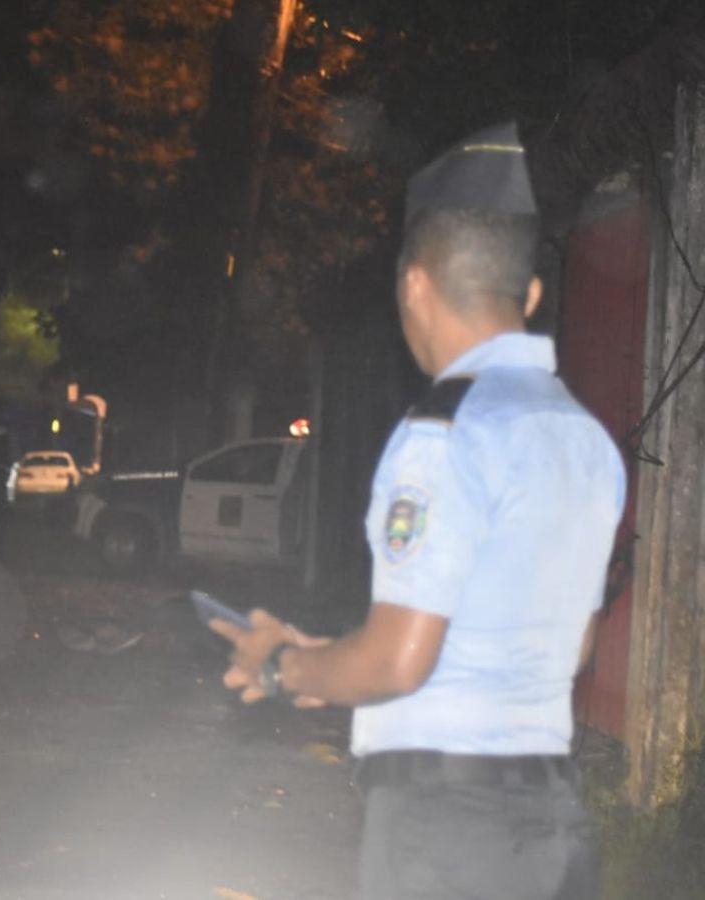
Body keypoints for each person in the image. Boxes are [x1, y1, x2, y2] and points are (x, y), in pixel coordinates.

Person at [210, 122, 625, 899]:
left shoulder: (443, 434)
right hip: (554, 829)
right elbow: (564, 649)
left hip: (448, 835)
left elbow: (401, 662)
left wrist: (280, 663)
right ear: (530, 296)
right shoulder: (584, 438)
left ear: (414, 286)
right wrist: (337, 663)